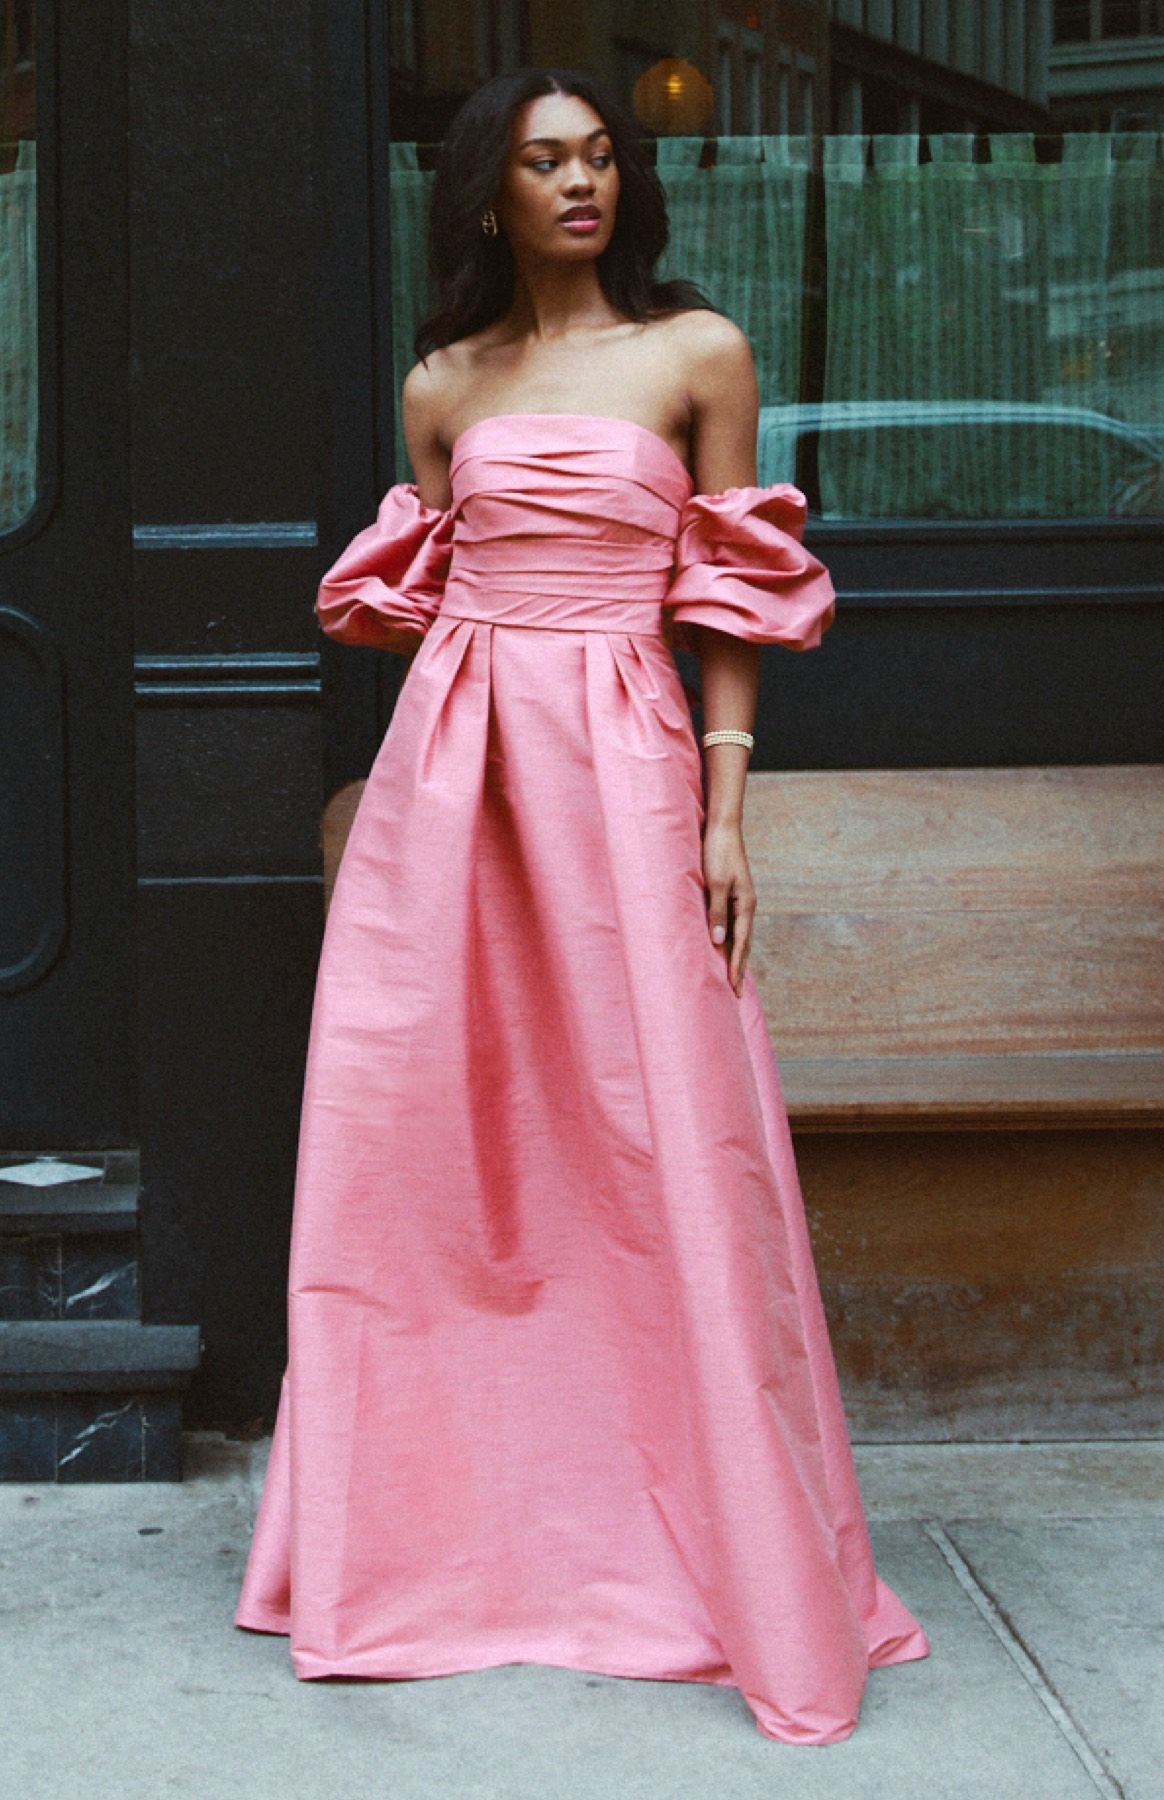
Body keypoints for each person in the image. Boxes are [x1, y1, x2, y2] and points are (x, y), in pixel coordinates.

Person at [234, 65, 929, 1746]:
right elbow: (432, 594)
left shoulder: (696, 354)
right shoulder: (439, 385)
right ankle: (447, 1545)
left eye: (602, 156)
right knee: (431, 1147)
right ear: (489, 193)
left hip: (625, 760)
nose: (580, 184)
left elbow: (737, 589)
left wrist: (726, 798)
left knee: (667, 1137)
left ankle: (717, 1550)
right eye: (545, 161)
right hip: (451, 784)